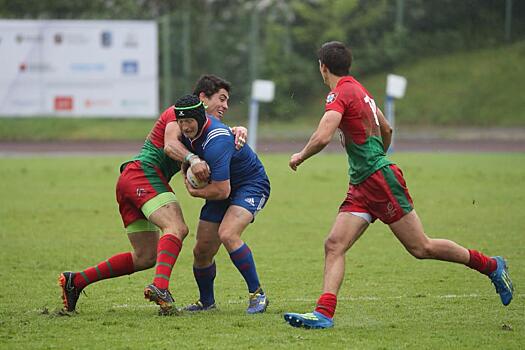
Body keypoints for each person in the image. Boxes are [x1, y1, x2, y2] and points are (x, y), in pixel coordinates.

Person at [283, 41, 514, 329]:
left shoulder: (339, 94)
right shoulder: (361, 91)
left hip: (378, 180)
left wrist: (300, 156)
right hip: (363, 184)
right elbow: (387, 128)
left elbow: (323, 135)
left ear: (323, 67)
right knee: (334, 244)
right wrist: (378, 154)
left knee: (421, 247)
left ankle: (492, 265)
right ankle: (323, 314)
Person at [58, 83, 247, 316]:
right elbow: (169, 145)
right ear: (202, 98)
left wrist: (237, 130)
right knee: (176, 227)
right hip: (143, 174)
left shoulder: (199, 128)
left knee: (145, 257)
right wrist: (193, 159)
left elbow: (216, 136)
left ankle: (75, 281)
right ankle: (160, 287)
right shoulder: (177, 113)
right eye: (221, 99)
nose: (225, 106)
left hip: (131, 180)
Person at [175, 94, 270, 314]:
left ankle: (258, 295)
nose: (185, 127)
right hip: (222, 185)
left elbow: (222, 190)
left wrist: (192, 191)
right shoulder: (184, 134)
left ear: (200, 117)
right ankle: (207, 303)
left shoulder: (216, 140)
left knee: (228, 233)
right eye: (181, 122)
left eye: (189, 121)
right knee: (201, 251)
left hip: (249, 185)